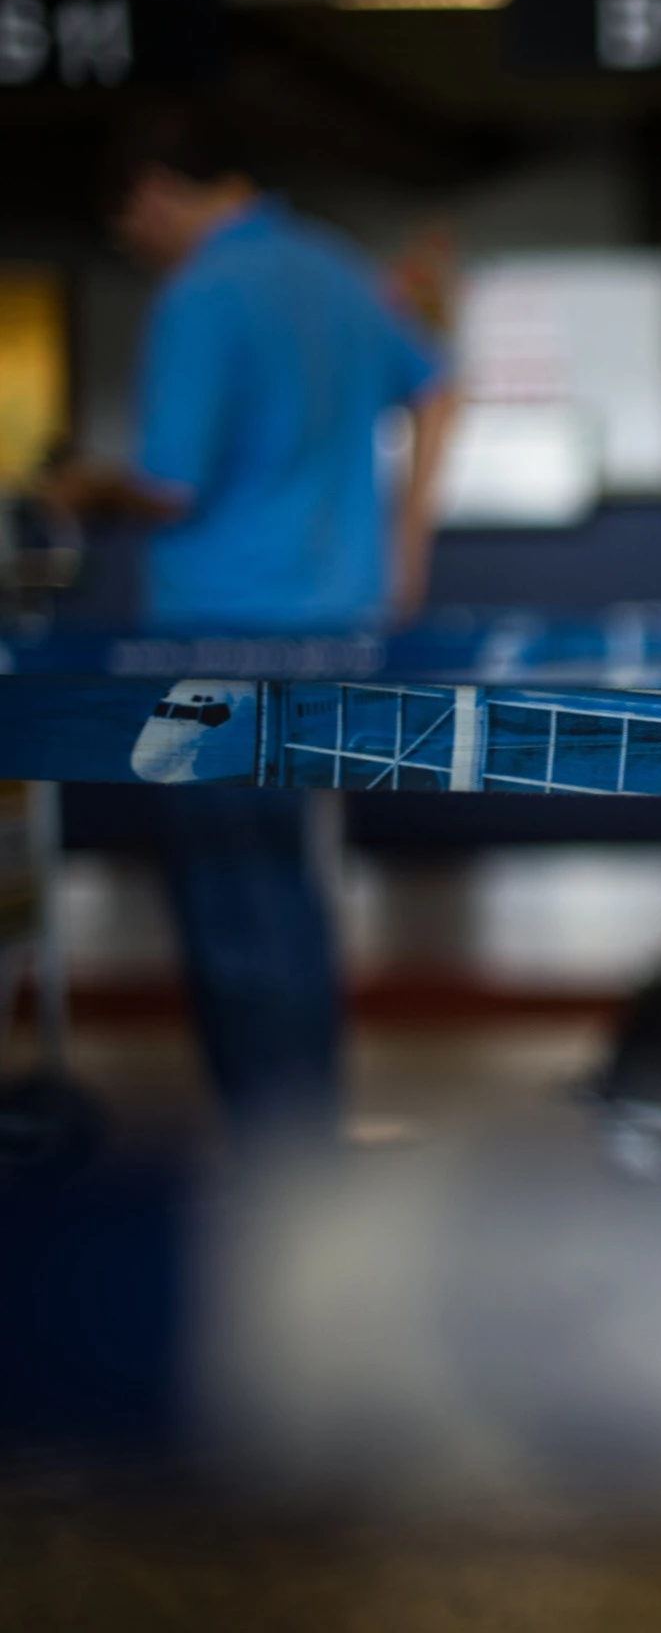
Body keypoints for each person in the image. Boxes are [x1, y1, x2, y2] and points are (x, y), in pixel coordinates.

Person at [40, 114, 455, 1150]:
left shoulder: (198, 296)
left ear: (153, 192)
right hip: (333, 632)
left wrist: (77, 485)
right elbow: (440, 387)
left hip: (207, 643)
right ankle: (303, 1130)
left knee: (226, 894)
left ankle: (267, 1153)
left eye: (126, 218)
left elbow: (168, 486)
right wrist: (406, 555)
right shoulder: (337, 268)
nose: (132, 240)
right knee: (289, 879)